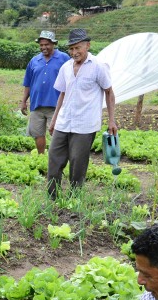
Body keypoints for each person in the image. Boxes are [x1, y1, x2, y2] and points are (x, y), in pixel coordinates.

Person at [47, 28, 118, 198]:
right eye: (71, 49)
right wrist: (54, 120)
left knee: (78, 163)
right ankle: (52, 197)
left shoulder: (98, 67)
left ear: (87, 45)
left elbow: (109, 92)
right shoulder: (65, 67)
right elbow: (62, 94)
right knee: (54, 159)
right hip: (64, 121)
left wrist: (112, 121)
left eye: (78, 48)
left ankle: (74, 199)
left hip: (85, 124)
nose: (74, 52)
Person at [19, 30, 70, 156]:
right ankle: (42, 157)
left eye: (46, 44)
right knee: (37, 134)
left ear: (53, 44)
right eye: (41, 45)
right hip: (37, 104)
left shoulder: (63, 58)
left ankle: (56, 160)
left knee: (57, 135)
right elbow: (28, 83)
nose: (43, 47)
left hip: (56, 105)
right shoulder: (34, 61)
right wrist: (24, 101)